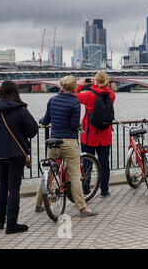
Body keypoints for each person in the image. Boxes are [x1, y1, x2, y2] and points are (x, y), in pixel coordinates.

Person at [35, 75, 97, 217]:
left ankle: (38, 205)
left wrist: (41, 121)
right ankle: (82, 208)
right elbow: (74, 125)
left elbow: (45, 120)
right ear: (74, 87)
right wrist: (80, 127)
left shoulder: (52, 100)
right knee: (75, 175)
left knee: (49, 173)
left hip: (53, 141)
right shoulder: (74, 102)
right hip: (68, 141)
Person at [0, 81, 38, 234]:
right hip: (16, 154)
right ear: (15, 92)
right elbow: (32, 131)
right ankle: (12, 225)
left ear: (1, 93)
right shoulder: (21, 110)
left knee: (2, 185)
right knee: (14, 188)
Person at [77, 71, 116, 198]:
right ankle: (104, 190)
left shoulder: (89, 95)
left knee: (87, 163)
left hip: (90, 135)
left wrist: (81, 85)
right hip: (105, 136)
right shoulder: (112, 95)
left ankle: (86, 190)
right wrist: (97, 84)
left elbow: (74, 96)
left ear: (96, 81)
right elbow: (104, 92)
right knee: (104, 163)